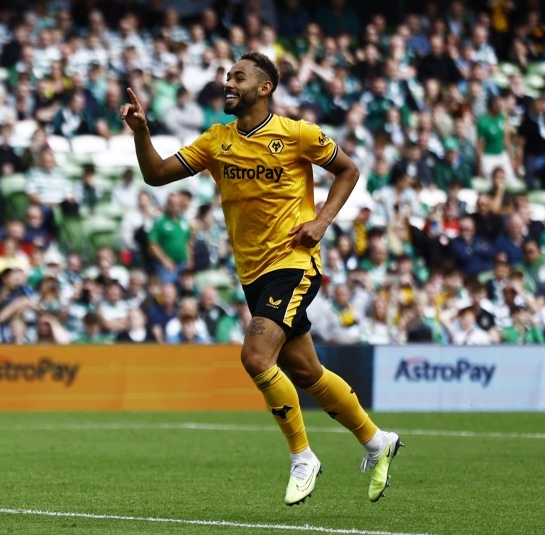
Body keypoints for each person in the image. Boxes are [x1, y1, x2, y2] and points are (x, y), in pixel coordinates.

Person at [120, 51, 401, 506]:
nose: (228, 83)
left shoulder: (297, 133)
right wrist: (142, 132)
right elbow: (155, 175)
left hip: (293, 262)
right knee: (306, 371)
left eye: (238, 77)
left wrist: (322, 221)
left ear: (264, 87)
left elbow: (349, 170)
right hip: (252, 273)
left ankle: (303, 457)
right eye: (226, 77)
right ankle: (376, 440)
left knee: (255, 356)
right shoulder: (216, 140)